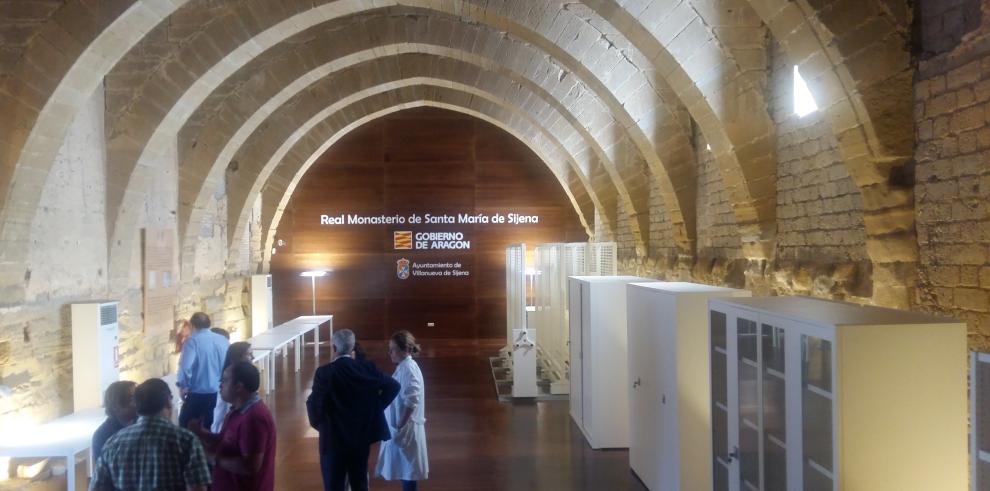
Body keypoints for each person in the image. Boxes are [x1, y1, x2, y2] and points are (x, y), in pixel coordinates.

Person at [306, 329, 400, 491]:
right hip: (360, 438)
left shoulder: (325, 373)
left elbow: (315, 405)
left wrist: (321, 425)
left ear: (334, 348)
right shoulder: (366, 368)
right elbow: (393, 386)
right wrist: (374, 409)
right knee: (359, 482)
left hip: (332, 440)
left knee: (334, 485)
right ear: (352, 349)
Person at [91, 378, 211, 491]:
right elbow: (198, 488)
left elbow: (97, 487)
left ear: (138, 406)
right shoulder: (186, 440)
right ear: (168, 402)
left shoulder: (113, 443)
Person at [190, 361, 276, 491]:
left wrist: (214, 458)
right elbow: (227, 441)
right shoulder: (237, 411)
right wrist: (201, 433)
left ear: (238, 387)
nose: (220, 386)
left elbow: (250, 466)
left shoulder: (253, 418)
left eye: (224, 381)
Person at [375, 330, 429, 491]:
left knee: (408, 475)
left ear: (405, 350)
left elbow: (412, 399)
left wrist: (400, 424)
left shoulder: (408, 369)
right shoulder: (404, 367)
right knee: (406, 472)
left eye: (393, 349)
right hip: (402, 429)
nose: (390, 352)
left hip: (406, 430)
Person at [176, 312, 229, 429]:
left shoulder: (192, 341)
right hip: (220, 390)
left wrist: (182, 386)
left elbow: (185, 367)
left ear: (192, 325)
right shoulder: (223, 340)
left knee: (186, 425)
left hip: (198, 393)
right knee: (214, 425)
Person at [211, 341, 253, 433]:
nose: (252, 358)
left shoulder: (245, 377)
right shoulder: (230, 381)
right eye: (249, 354)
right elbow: (221, 415)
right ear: (238, 356)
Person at [91, 381, 137, 460]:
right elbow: (101, 470)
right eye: (132, 398)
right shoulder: (102, 435)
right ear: (116, 405)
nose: (139, 402)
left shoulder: (144, 421)